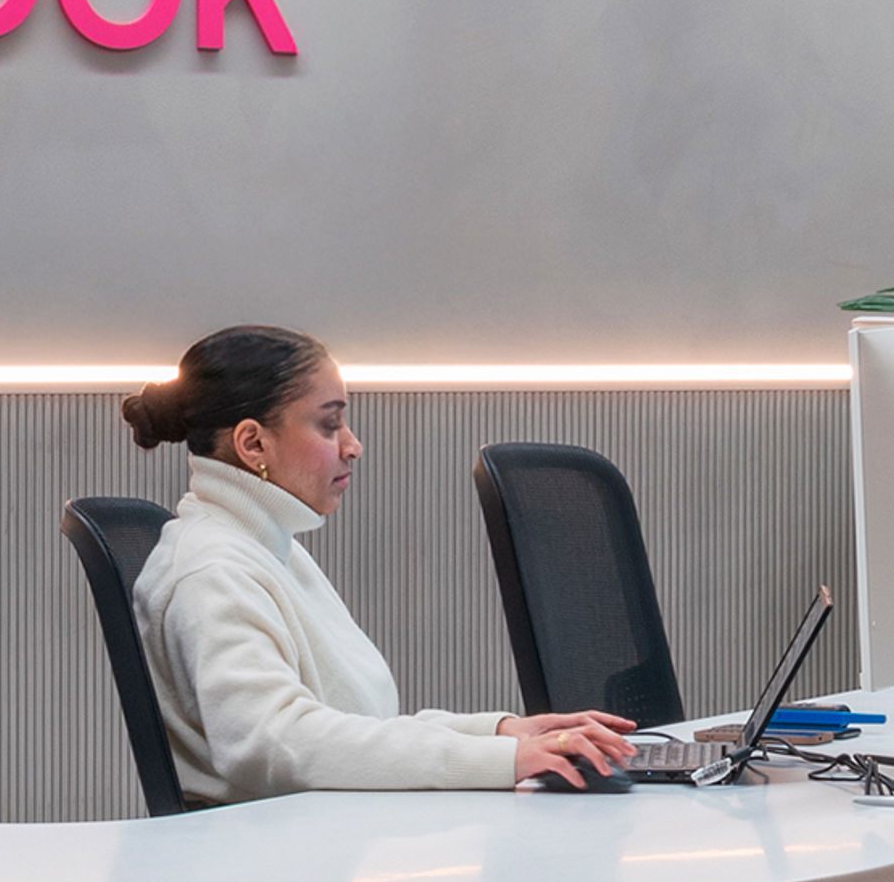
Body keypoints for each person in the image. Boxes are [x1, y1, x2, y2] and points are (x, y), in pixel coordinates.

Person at [120, 324, 636, 802]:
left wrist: (501, 733)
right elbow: (273, 743)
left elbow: (356, 725)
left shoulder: (267, 549)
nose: (353, 446)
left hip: (315, 845)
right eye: (329, 425)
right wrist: (499, 761)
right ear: (253, 442)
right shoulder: (211, 571)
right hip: (277, 873)